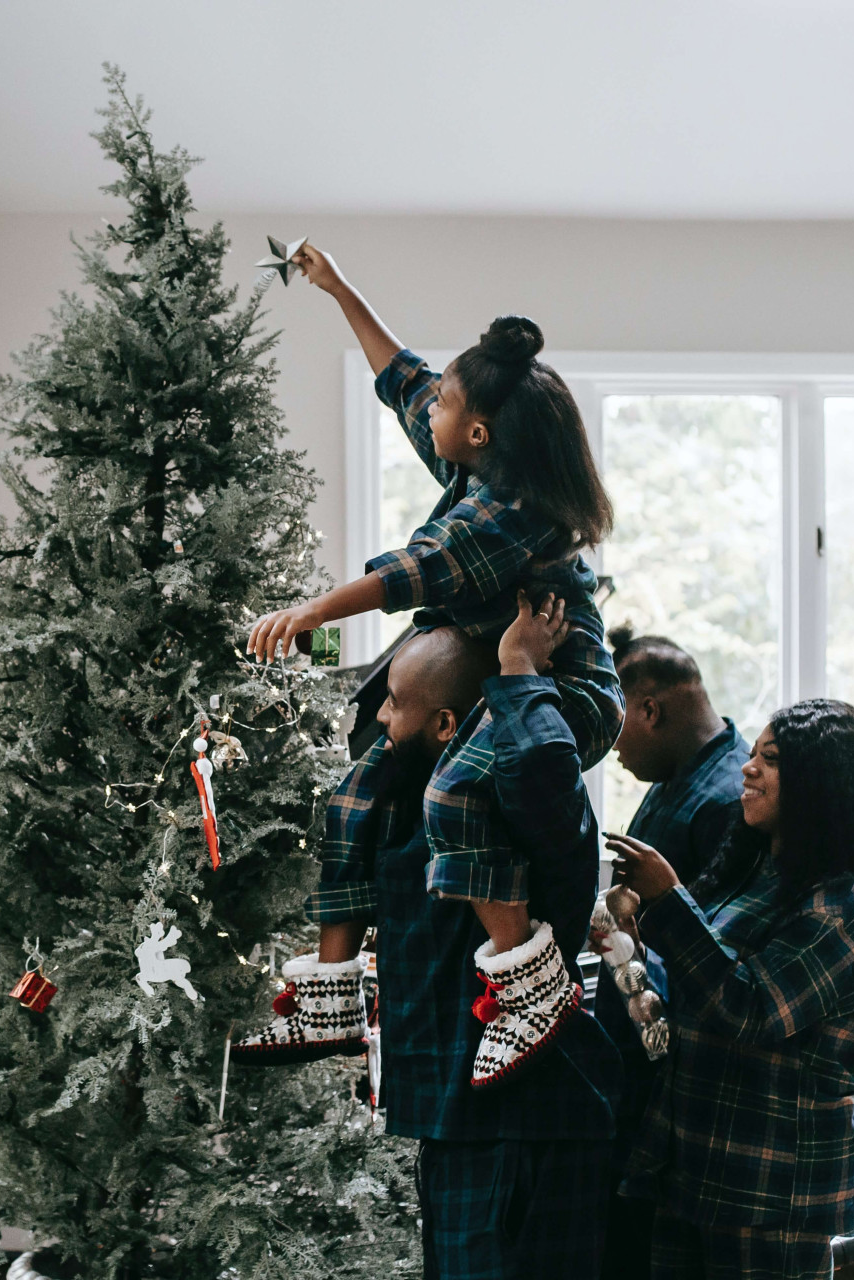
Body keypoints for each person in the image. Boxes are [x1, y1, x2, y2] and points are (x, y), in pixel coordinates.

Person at [238, 244, 622, 1080]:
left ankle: (531, 982)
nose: (433, 409)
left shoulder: (509, 514)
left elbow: (410, 573)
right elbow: (403, 379)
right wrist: (340, 288)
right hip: (500, 676)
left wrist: (310, 614)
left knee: (454, 791)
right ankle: (329, 1000)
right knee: (355, 794)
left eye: (449, 403)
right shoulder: (476, 454)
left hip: (565, 692)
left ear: (477, 431)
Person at [276, 620, 622, 1279]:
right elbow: (361, 781)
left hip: (523, 1128)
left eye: (394, 702)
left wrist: (518, 669)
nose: (378, 716)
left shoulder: (524, 806)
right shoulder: (409, 804)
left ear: (444, 724)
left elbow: (547, 761)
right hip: (456, 1121)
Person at [604, 699, 854, 1280]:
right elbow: (701, 987)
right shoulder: (754, 874)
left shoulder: (841, 904)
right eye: (752, 756)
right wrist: (633, 944)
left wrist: (671, 898)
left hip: (771, 1189)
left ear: (820, 783)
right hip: (695, 1163)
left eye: (770, 760)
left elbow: (750, 1008)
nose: (748, 768)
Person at [596, 628, 749, 1280]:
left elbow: (710, 954)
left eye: (616, 726)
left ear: (649, 709)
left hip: (667, 1071)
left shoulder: (725, 803)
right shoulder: (680, 774)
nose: (613, 747)